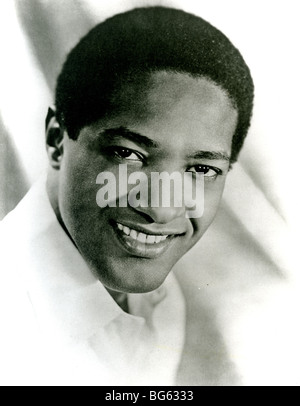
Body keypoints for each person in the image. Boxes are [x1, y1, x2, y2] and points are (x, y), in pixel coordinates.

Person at [0, 6, 254, 386]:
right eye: (127, 153)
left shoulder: (161, 302)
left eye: (201, 170)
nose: (162, 208)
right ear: (56, 140)